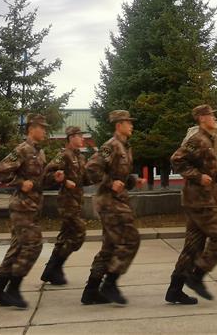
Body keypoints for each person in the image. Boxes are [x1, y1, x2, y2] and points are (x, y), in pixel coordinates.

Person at [167, 104, 217, 303]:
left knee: (193, 247)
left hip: (198, 200)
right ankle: (196, 277)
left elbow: (210, 173)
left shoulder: (208, 140)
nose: (214, 118)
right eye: (211, 115)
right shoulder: (197, 140)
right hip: (199, 201)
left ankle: (174, 289)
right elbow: (176, 160)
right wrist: (198, 177)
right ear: (202, 118)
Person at [0, 114, 61, 309]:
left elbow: (40, 182)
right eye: (41, 127)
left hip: (33, 207)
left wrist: (54, 178)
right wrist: (20, 183)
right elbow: (2, 169)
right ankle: (13, 289)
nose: (44, 131)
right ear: (31, 129)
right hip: (22, 206)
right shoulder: (22, 149)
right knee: (34, 245)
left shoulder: (39, 152)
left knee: (17, 248)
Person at [83, 110, 139, 305]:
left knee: (109, 247)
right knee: (130, 240)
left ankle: (91, 291)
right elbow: (92, 168)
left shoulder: (125, 147)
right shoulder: (111, 145)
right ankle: (110, 283)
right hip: (109, 202)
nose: (131, 125)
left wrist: (131, 181)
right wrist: (110, 183)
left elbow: (120, 176)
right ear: (119, 125)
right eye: (128, 122)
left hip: (118, 200)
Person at [41, 125, 90, 285]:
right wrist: (61, 179)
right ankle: (55, 267)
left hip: (77, 202)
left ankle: (51, 270)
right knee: (79, 233)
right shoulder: (63, 155)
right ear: (71, 137)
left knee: (65, 236)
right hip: (67, 202)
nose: (82, 138)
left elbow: (86, 179)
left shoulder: (80, 157)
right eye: (79, 136)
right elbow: (46, 175)